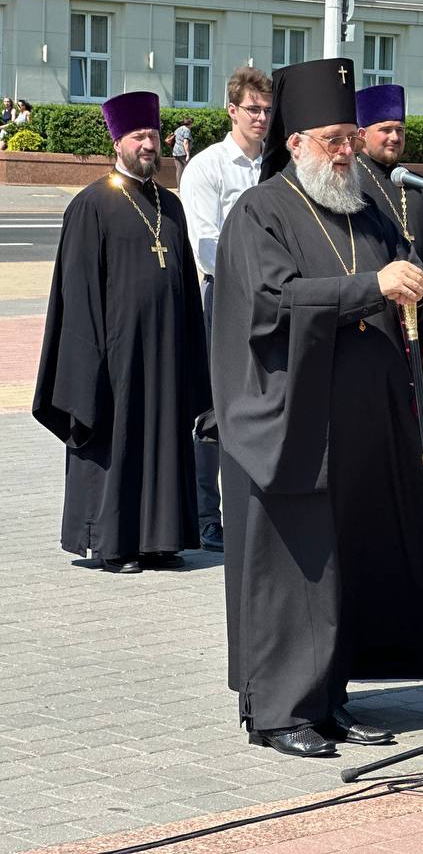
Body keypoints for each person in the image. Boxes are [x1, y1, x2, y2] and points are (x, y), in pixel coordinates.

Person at [211, 57, 423, 758]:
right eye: (333, 140)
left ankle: (331, 696)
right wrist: (370, 288)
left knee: (350, 562)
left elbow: (399, 273)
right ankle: (282, 711)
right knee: (299, 572)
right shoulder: (263, 212)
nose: (348, 153)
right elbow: (271, 304)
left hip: (368, 425)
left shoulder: (369, 204)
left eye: (351, 137)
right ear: (295, 143)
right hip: (293, 422)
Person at [33, 91, 210, 575]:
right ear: (118, 142)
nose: (148, 144)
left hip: (167, 350)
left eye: (153, 134)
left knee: (166, 440)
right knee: (119, 441)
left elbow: (185, 281)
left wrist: (195, 353)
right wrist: (90, 363)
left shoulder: (169, 205)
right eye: (138, 136)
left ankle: (161, 539)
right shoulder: (92, 205)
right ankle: (115, 544)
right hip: (114, 356)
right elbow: (78, 292)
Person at [182, 65, 272, 553]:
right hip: (227, 298)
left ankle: (253, 507)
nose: (260, 118)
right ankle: (204, 516)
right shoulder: (208, 167)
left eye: (266, 109)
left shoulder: (274, 165)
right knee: (214, 410)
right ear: (231, 110)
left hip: (273, 299)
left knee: (261, 401)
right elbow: (205, 243)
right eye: (251, 109)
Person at [354, 83, 423, 262]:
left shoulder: (419, 186)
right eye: (386, 130)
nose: (395, 137)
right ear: (362, 134)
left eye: (400, 130)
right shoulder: (350, 182)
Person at [170, 116, 193, 186]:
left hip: (175, 152)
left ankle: (179, 187)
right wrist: (188, 154)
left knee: (179, 170)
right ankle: (185, 187)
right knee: (186, 170)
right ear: (190, 123)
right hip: (182, 152)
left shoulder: (178, 129)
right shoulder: (187, 130)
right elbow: (185, 142)